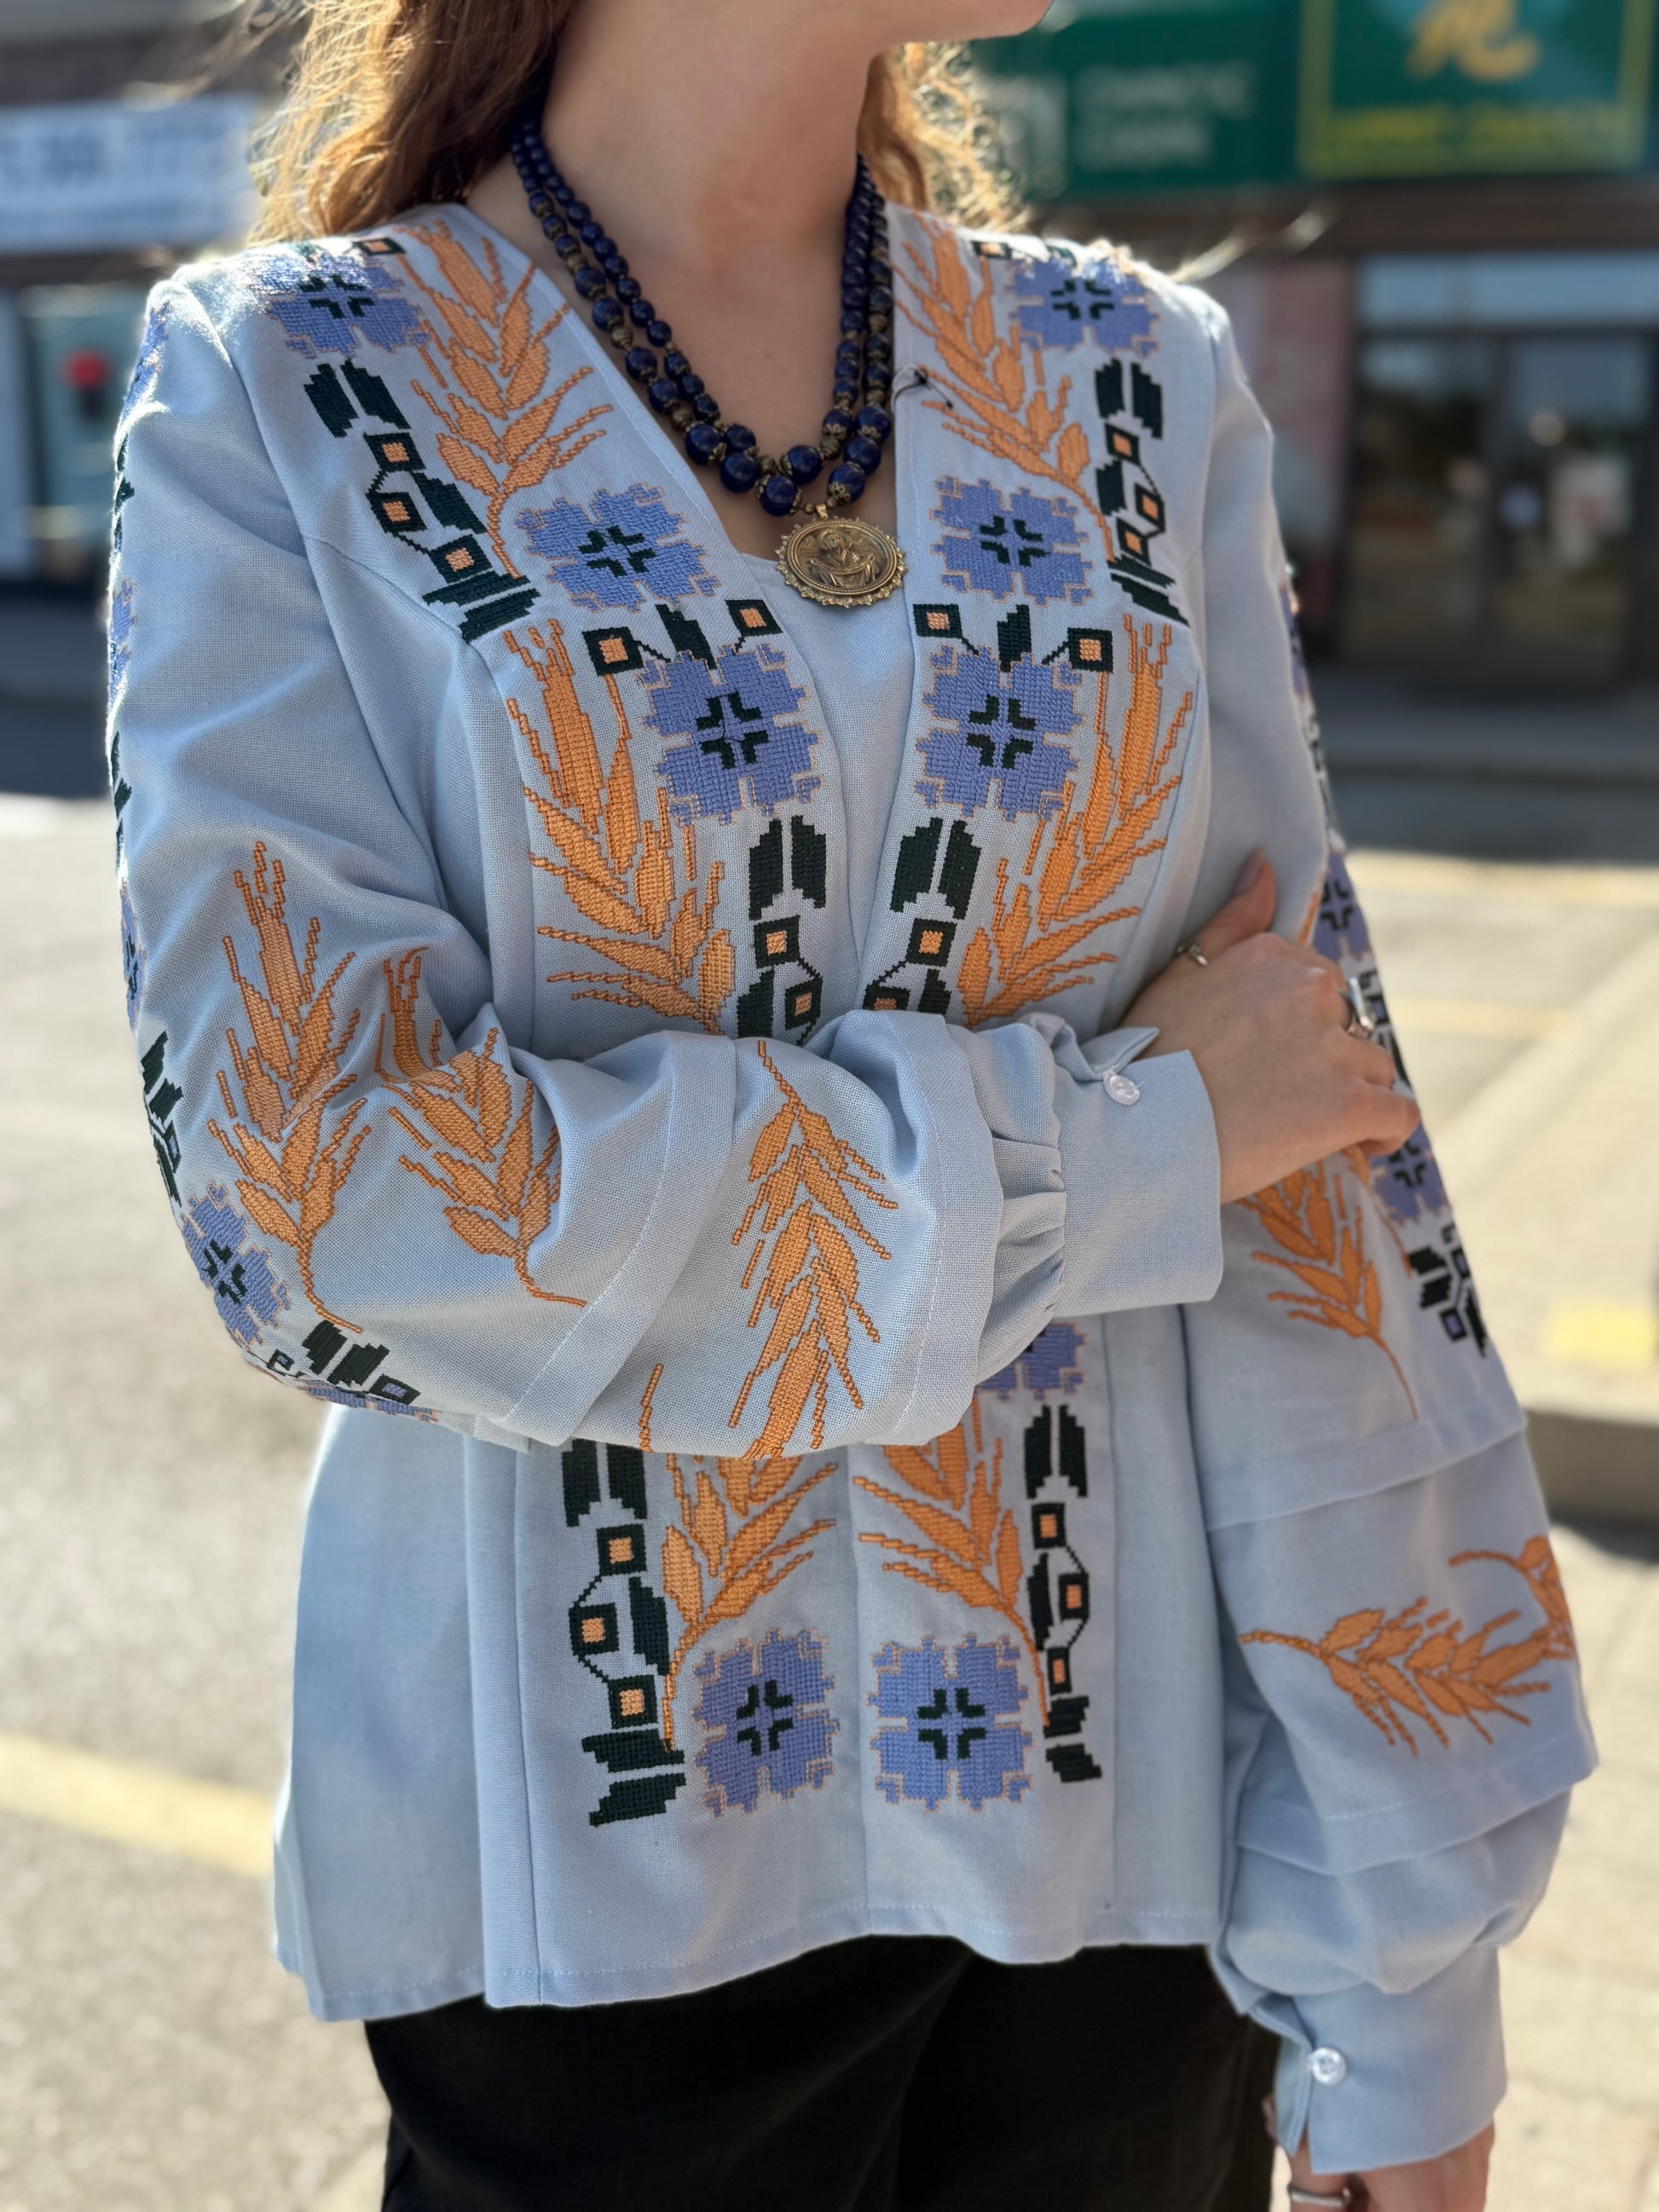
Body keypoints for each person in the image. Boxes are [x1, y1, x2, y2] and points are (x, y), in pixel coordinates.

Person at [107, 2, 1594, 2206]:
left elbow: (1317, 1204)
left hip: (1132, 1905)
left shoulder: (1129, 382)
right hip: (595, 1926)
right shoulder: (299, 385)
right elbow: (319, 1205)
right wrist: (1118, 1143)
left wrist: (1401, 1972)